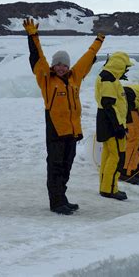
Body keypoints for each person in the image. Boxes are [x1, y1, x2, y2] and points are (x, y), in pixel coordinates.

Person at [22, 18, 104, 215]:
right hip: (56, 131)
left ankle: (62, 198)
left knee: (66, 167)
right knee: (56, 167)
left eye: (64, 65)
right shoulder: (46, 79)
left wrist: (98, 42)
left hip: (72, 132)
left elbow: (87, 59)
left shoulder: (74, 78)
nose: (61, 67)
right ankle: (56, 202)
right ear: (53, 66)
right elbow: (37, 57)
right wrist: (33, 35)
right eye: (58, 64)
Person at [95, 52, 133, 200]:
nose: (126, 71)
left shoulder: (108, 78)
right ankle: (110, 189)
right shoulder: (108, 80)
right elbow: (108, 104)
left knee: (108, 155)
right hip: (111, 124)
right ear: (119, 65)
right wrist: (118, 126)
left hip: (106, 122)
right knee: (117, 157)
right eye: (125, 67)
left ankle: (105, 186)